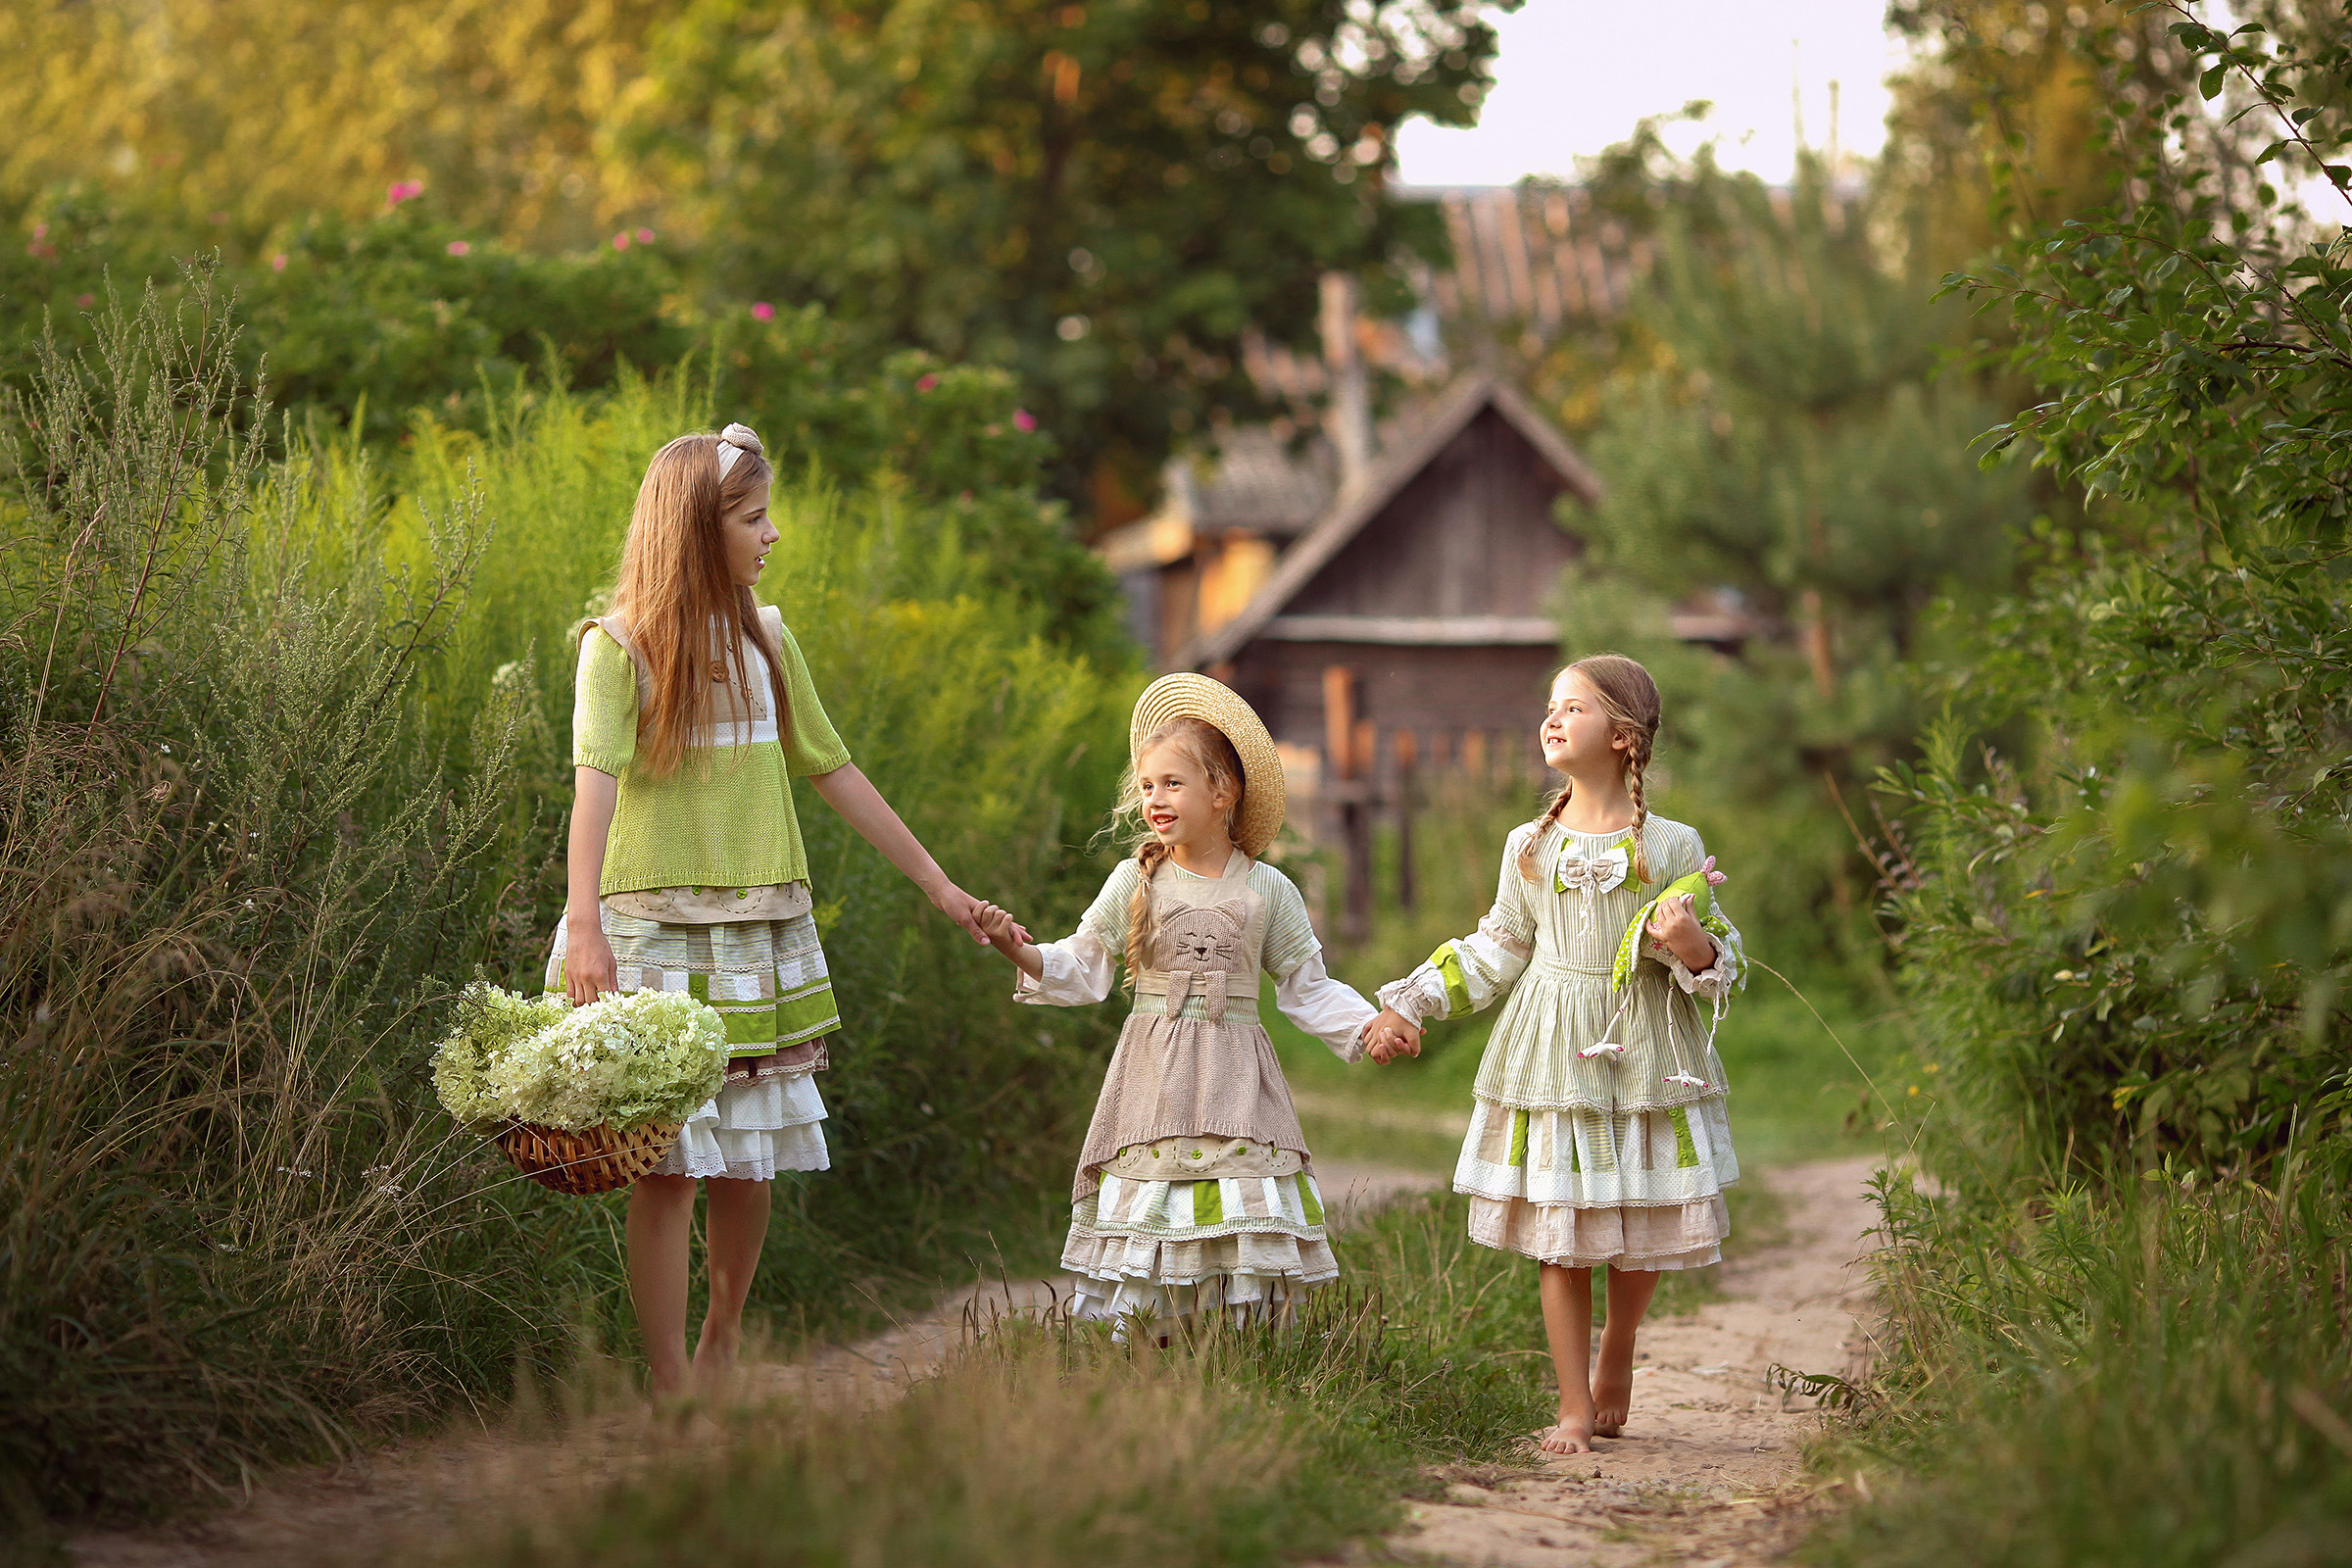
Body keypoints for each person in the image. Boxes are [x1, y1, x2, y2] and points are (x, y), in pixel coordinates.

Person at [556, 422, 999, 1399]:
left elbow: (833, 767)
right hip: (651, 930)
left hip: (759, 932)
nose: (773, 534)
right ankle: (671, 1383)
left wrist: (941, 886)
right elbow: (594, 789)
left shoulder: (767, 637)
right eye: (754, 518)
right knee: (667, 1165)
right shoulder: (616, 649)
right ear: (694, 530)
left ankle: (722, 1344)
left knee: (746, 1162)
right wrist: (584, 925)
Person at [1363, 655, 1741, 1453]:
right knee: (1561, 1229)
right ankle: (1572, 1404)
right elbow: (1497, 946)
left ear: (1624, 736)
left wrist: (1690, 944)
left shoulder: (1673, 844)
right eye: (1551, 705)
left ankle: (1619, 1345)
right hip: (1553, 1051)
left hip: (1645, 1047)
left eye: (1574, 707)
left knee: (1642, 1213)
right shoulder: (1528, 845)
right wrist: (1413, 1000)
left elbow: (1717, 959)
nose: (1552, 718)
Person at [975, 674, 1389, 1340]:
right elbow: (1083, 966)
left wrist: (1370, 1026)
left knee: (1239, 1197)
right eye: (1147, 786)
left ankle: (1238, 1344)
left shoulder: (1267, 889)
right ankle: (1150, 1341)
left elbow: (1308, 987)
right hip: (1153, 1083)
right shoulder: (1135, 881)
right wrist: (1015, 949)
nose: (1155, 799)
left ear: (1222, 792)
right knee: (1158, 1203)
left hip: (1238, 1083)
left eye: (1172, 783)